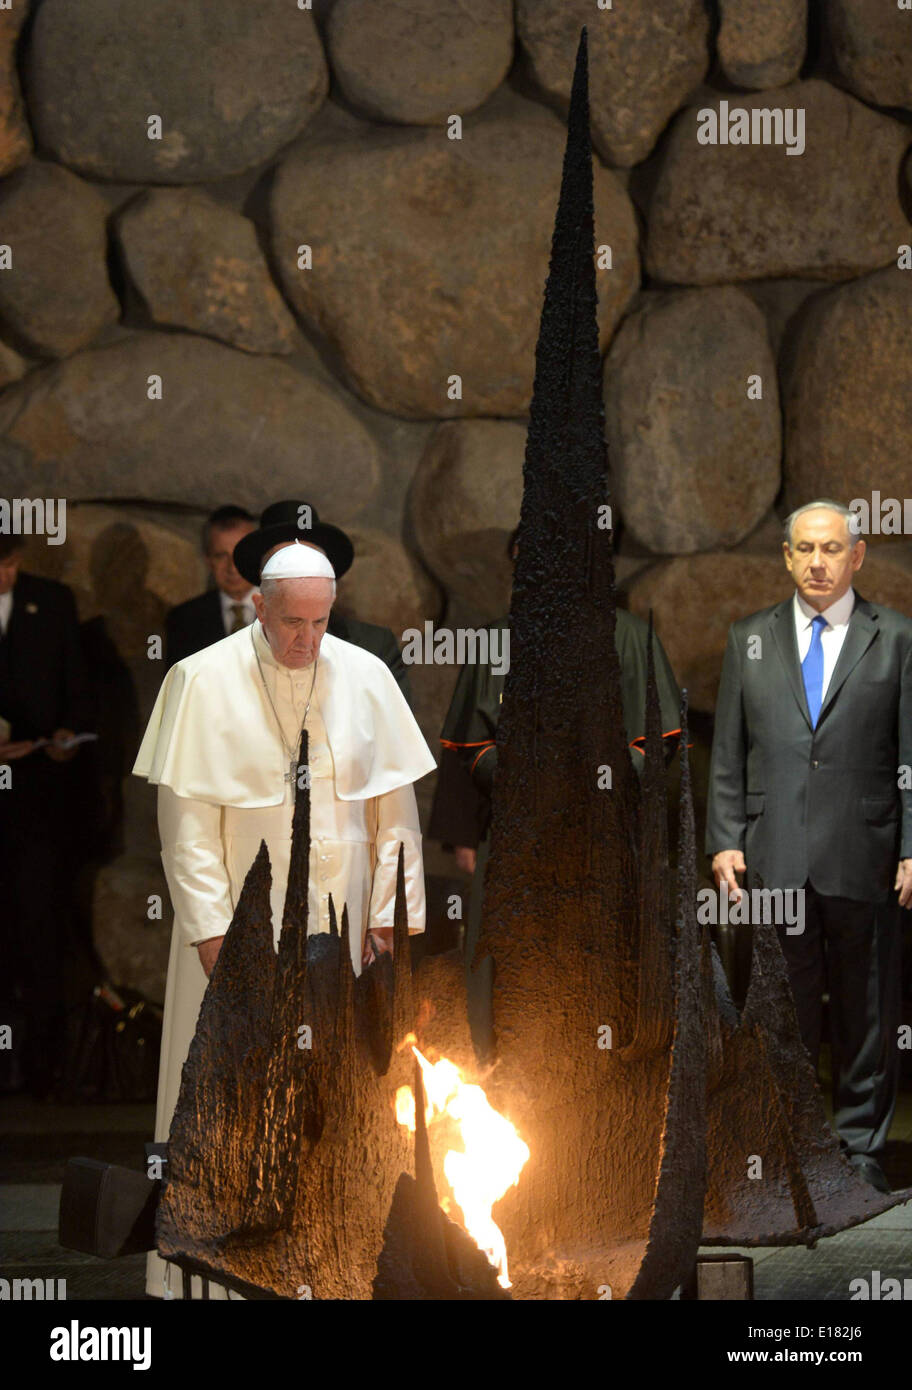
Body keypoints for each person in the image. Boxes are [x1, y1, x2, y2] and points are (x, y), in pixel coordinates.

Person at [133, 540, 435, 1297]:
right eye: (292, 622)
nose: (307, 640)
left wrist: (388, 919)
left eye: (321, 623)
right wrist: (210, 937)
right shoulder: (199, 680)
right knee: (236, 1102)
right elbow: (187, 830)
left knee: (340, 1101)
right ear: (258, 604)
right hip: (242, 931)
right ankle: (219, 1266)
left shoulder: (364, 675)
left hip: (347, 933)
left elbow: (394, 814)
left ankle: (341, 1253)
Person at [706, 499, 912, 1194]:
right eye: (805, 549)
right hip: (773, 855)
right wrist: (724, 839)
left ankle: (859, 1150)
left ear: (857, 556)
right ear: (787, 557)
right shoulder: (749, 638)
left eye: (832, 549)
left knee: (867, 1009)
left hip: (868, 851)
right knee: (781, 1008)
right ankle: (786, 1144)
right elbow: (729, 750)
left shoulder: (899, 638)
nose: (818, 562)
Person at [439, 531, 682, 1062]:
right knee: (499, 970)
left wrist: (590, 782)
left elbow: (657, 741)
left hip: (602, 839)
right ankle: (499, 1081)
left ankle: (597, 1097)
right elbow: (469, 743)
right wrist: (529, 781)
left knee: (594, 969)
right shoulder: (492, 643)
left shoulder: (630, 638)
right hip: (512, 837)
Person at [0, 535, 95, 1097]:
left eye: (10, 563)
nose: (5, 576)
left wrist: (65, 738)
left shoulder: (52, 602)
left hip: (37, 803)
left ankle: (43, 1069)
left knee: (38, 926)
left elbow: (77, 693)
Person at [232, 500, 413, 705]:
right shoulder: (228, 657)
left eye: (309, 561)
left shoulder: (374, 648)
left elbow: (393, 728)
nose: (299, 571)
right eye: (286, 562)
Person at [164, 505, 257, 666]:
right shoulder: (183, 620)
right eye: (221, 556)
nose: (232, 567)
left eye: (240, 554)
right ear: (208, 560)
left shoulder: (287, 610)